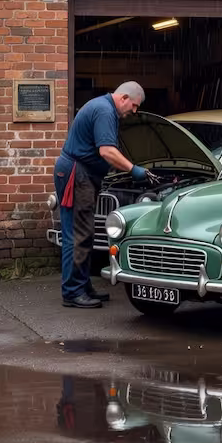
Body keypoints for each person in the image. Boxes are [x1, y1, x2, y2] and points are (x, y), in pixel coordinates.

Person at [55, 82, 152, 308]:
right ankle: (72, 292)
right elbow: (107, 150)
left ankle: (81, 284)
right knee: (78, 234)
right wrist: (134, 170)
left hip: (77, 172)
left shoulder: (101, 107)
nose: (134, 111)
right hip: (76, 175)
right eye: (134, 106)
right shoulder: (105, 111)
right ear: (124, 97)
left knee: (83, 233)